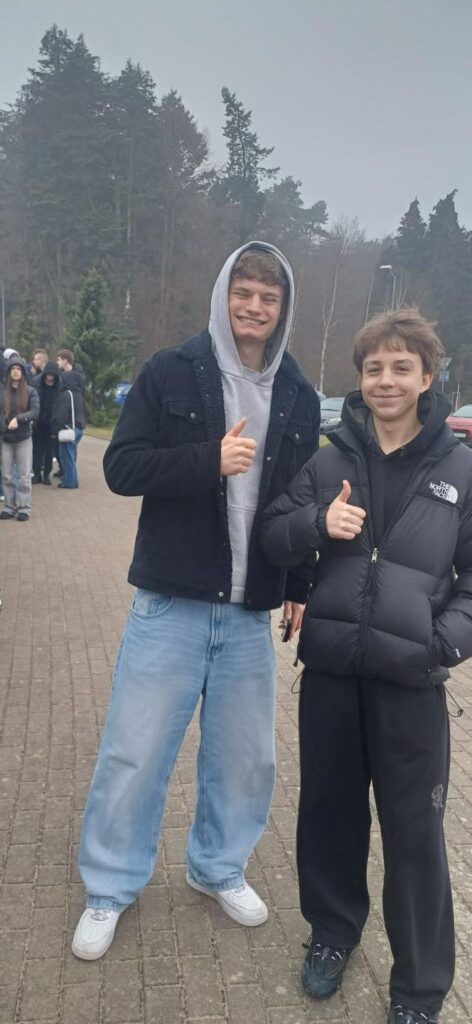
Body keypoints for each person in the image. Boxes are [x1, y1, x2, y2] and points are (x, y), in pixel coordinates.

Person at [71, 241, 320, 961]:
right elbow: (121, 467)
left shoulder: (298, 393)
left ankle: (217, 868)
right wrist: (206, 460)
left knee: (245, 761)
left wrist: (299, 585)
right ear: (223, 295)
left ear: (283, 308)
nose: (254, 307)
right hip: (170, 603)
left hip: (249, 612)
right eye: (244, 292)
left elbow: (299, 498)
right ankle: (109, 886)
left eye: (268, 297)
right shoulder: (172, 369)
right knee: (134, 752)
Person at [260, 308, 472, 1024]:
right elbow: (274, 535)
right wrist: (317, 523)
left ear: (427, 377)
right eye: (374, 367)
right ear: (360, 377)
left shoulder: (460, 469)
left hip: (410, 684)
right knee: (329, 814)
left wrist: (438, 644)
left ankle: (419, 988)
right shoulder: (330, 460)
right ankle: (332, 933)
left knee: (416, 834)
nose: (386, 380)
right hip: (331, 676)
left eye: (401, 367)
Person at [0, 357, 40, 521]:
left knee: (24, 476)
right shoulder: (3, 392)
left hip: (24, 439)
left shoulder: (31, 391)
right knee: (7, 475)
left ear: (23, 372)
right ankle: (9, 507)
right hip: (6, 440)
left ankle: (24, 508)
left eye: (18, 369)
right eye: (13, 369)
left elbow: (35, 412)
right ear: (9, 372)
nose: (15, 371)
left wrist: (20, 419)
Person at [51, 370, 87, 489]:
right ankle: (73, 480)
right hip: (79, 428)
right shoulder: (79, 394)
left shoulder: (66, 394)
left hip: (68, 429)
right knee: (71, 456)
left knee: (66, 457)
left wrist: (55, 430)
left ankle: (69, 482)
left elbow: (61, 415)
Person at [32, 361, 61, 484]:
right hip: (38, 423)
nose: (50, 377)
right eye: (48, 374)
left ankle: (46, 475)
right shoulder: (36, 383)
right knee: (37, 450)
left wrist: (57, 424)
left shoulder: (59, 386)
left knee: (49, 451)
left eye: (52, 375)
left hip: (51, 424)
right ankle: (37, 474)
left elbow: (59, 407)